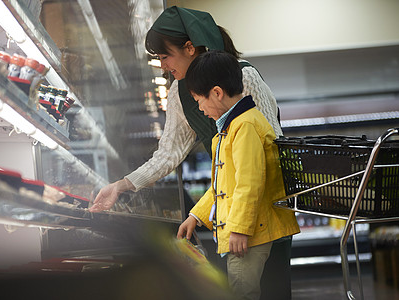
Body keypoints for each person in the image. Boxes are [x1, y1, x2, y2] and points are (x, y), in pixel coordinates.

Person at [89, 6, 292, 299]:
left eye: (164, 55)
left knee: (271, 289)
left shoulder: (243, 76)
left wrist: (243, 224)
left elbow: (270, 152)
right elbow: (168, 154)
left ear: (189, 47)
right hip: (231, 213)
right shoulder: (178, 93)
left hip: (267, 209)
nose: (162, 66)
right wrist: (122, 185)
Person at [177, 50, 300, 300]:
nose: (200, 108)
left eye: (199, 100)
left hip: (250, 233)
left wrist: (240, 229)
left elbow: (249, 184)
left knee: (241, 291)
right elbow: (222, 185)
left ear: (217, 93)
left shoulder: (244, 126)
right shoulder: (232, 127)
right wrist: (196, 216)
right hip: (246, 230)